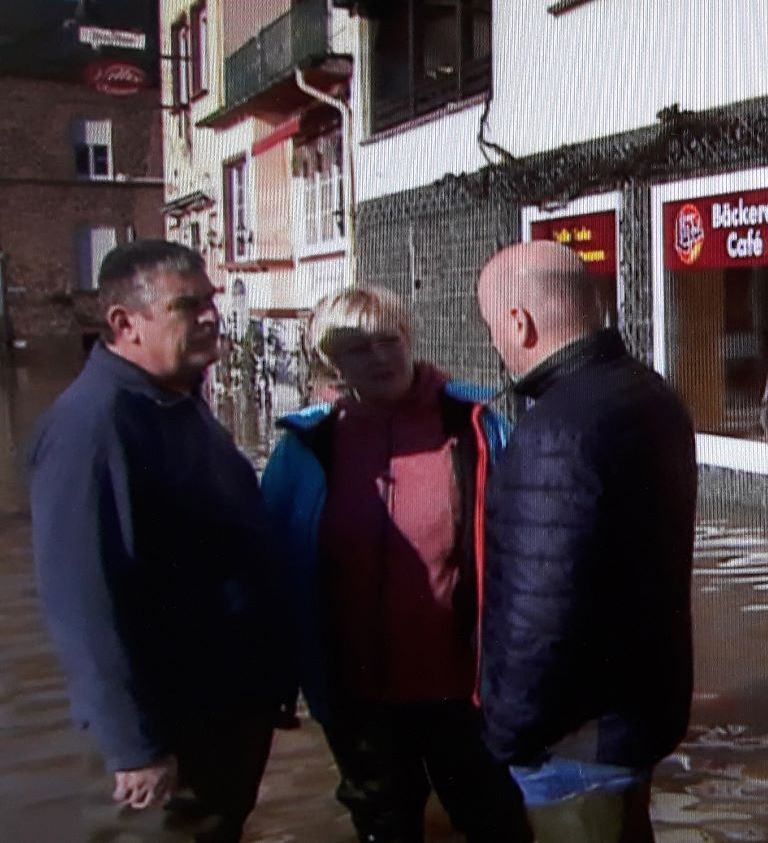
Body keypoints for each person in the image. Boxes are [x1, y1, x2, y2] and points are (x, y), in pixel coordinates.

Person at [28, 240, 290, 843]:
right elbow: (82, 602)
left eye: (210, 301)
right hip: (176, 735)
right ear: (125, 324)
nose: (210, 317)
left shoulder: (173, 399)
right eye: (186, 306)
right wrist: (133, 746)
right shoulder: (93, 428)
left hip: (224, 714)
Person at [260, 284, 532, 843]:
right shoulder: (306, 448)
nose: (380, 357)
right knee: (383, 825)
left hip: (466, 690)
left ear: (410, 339)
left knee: (495, 823)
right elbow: (276, 572)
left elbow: (528, 548)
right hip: (358, 697)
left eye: (389, 340)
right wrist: (277, 679)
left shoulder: (475, 428)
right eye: (358, 349)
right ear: (330, 363)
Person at [476, 241, 698, 842]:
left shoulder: (554, 430)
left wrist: (505, 736)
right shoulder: (650, 394)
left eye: (494, 327)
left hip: (574, 744)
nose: (497, 345)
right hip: (637, 718)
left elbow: (538, 612)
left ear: (519, 322)